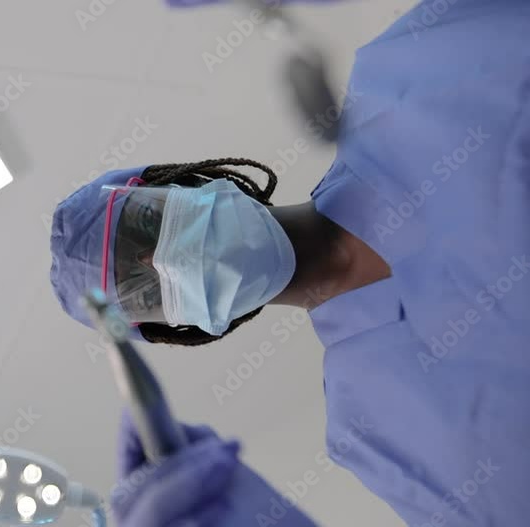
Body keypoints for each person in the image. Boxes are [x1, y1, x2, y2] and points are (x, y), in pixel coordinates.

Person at [50, 0, 530, 525]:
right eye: (145, 290)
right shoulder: (369, 424)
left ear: (187, 183)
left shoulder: (406, 73)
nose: (166, 259)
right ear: (182, 328)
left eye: (148, 223)